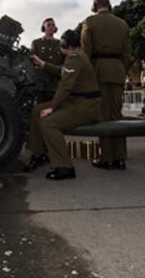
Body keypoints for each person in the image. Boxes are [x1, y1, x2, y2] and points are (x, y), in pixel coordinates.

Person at [25, 30, 102, 180]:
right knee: (36, 110)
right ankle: (39, 153)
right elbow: (62, 71)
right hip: (78, 101)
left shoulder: (74, 58)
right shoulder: (77, 55)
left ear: (64, 45)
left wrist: (51, 108)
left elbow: (65, 87)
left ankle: (64, 166)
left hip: (85, 106)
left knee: (48, 123)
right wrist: (42, 63)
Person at [80, 0, 132, 171]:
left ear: (95, 5)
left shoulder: (90, 22)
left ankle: (107, 158)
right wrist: (120, 69)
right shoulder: (122, 24)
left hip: (98, 70)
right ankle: (120, 158)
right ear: (109, 5)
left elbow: (86, 50)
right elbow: (127, 54)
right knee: (117, 114)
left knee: (103, 114)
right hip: (117, 70)